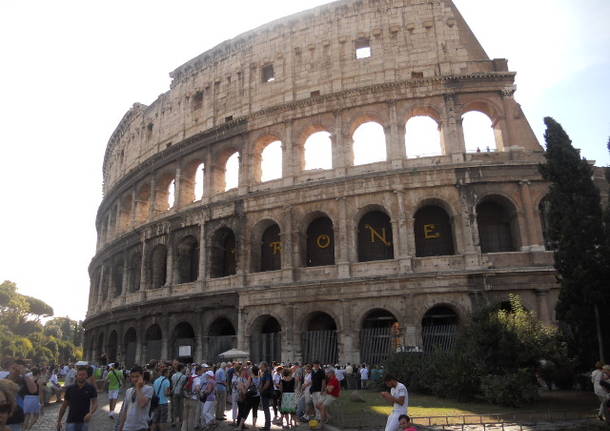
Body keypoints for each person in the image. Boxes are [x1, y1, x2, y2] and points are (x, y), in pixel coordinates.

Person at [57, 367, 98, 431]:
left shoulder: (91, 388)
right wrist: (59, 421)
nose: (81, 376)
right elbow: (64, 406)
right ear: (76, 376)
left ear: (86, 375)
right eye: (80, 375)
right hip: (71, 421)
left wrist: (90, 413)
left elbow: (95, 403)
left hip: (84, 421)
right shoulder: (70, 389)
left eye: (83, 375)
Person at [118, 366, 153, 431]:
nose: (134, 379)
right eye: (132, 377)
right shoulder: (128, 391)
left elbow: (142, 404)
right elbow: (125, 411)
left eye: (137, 376)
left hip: (140, 427)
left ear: (142, 376)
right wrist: (121, 427)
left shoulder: (149, 389)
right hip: (127, 427)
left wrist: (138, 387)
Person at [182, 365, 203, 431]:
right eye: (202, 370)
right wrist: (200, 392)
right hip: (193, 399)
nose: (202, 372)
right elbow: (197, 388)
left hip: (186, 398)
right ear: (199, 371)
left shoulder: (190, 376)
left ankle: (183, 429)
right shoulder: (197, 379)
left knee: (185, 416)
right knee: (191, 417)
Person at [170, 363, 187, 430]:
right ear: (182, 369)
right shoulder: (184, 377)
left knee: (175, 407)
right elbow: (184, 386)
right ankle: (180, 421)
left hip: (174, 392)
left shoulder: (173, 376)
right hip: (181, 392)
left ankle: (174, 421)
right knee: (181, 407)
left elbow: (172, 384)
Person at [259, 362, 273, 431]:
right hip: (265, 393)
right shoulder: (265, 373)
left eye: (261, 366)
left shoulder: (267, 373)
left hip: (265, 393)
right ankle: (267, 425)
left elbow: (267, 383)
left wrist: (262, 390)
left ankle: (267, 426)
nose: (260, 367)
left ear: (264, 366)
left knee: (266, 409)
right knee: (265, 409)